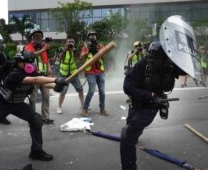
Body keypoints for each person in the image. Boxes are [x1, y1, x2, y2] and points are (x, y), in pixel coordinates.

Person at [0, 51, 68, 161]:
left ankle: (37, 151)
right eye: (26, 62)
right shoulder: (14, 73)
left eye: (31, 62)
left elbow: (41, 81)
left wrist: (55, 86)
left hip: (18, 104)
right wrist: (56, 79)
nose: (30, 64)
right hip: (1, 104)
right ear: (19, 63)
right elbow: (35, 80)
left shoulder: (30, 72)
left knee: (36, 119)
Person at [120, 40, 186, 170]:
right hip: (136, 103)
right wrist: (149, 95)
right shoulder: (142, 64)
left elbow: (185, 69)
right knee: (131, 128)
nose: (152, 60)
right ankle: (134, 138)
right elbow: (127, 86)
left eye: (156, 58)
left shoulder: (169, 65)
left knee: (127, 135)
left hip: (150, 108)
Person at [24, 29, 53, 124]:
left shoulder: (42, 47)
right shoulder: (28, 47)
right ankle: (31, 117)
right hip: (33, 77)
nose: (38, 38)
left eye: (40, 36)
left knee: (46, 97)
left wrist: (49, 68)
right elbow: (31, 55)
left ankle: (45, 117)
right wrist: (44, 49)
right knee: (33, 99)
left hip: (44, 76)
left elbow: (46, 60)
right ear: (32, 37)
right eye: (36, 36)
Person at [79, 31, 108, 116]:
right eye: (91, 36)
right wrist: (87, 51)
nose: (92, 37)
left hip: (100, 72)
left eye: (94, 35)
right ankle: (85, 108)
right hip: (90, 72)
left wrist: (99, 50)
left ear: (96, 37)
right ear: (88, 37)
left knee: (102, 91)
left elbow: (105, 54)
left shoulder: (100, 45)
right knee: (91, 91)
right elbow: (81, 57)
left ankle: (102, 109)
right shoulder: (86, 47)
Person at [56, 36, 84, 114]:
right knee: (63, 91)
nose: (71, 43)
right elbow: (59, 59)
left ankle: (83, 105)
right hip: (63, 74)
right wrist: (65, 51)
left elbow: (79, 58)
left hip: (73, 73)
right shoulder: (62, 49)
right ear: (66, 42)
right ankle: (59, 106)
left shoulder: (74, 50)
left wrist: (74, 51)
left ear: (74, 43)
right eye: (69, 42)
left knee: (80, 89)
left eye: (72, 42)